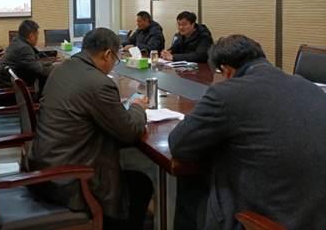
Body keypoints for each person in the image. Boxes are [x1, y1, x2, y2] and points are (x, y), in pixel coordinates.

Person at [169, 35, 326, 230]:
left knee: (190, 181)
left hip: (265, 221)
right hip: (316, 215)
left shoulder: (226, 93)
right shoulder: (309, 87)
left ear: (226, 70)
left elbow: (179, 145)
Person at [27, 28, 153, 230]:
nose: (113, 65)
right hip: (70, 180)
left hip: (44, 166)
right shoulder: (99, 84)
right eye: (116, 60)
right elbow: (129, 131)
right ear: (107, 54)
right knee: (141, 183)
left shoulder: (61, 69)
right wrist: (138, 107)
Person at [0, 20, 53, 105]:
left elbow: (32, 64)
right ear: (31, 36)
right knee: (47, 79)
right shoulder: (24, 48)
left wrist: (48, 64)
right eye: (37, 34)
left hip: (6, 87)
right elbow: (39, 71)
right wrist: (57, 68)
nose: (38, 37)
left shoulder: (17, 41)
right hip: (10, 94)